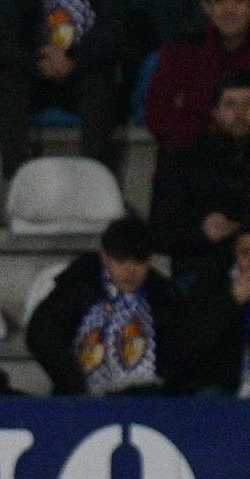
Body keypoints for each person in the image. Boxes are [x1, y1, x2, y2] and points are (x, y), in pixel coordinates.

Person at [26, 217, 184, 395]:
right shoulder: (76, 288)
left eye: (139, 261)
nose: (129, 271)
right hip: (81, 399)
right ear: (104, 256)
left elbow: (175, 353)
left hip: (147, 401)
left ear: (150, 260)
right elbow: (41, 336)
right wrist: (73, 383)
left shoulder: (162, 296)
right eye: (121, 260)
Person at [0, 0, 127, 179]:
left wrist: (74, 63)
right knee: (8, 81)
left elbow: (112, 29)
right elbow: (0, 36)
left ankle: (93, 178)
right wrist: (39, 62)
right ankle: (17, 177)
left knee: (100, 83)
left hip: (81, 71)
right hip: (34, 70)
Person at [150, 71, 250, 292]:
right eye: (231, 104)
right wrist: (202, 234)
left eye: (248, 104)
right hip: (200, 269)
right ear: (215, 112)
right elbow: (160, 234)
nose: (241, 113)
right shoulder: (183, 161)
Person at [145, 0, 250, 153]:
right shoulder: (180, 51)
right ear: (206, 7)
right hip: (190, 157)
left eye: (238, 2)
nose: (229, 10)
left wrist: (191, 106)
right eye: (220, 3)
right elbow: (157, 117)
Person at [178, 228, 250, 394]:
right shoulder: (214, 282)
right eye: (245, 253)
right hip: (224, 385)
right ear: (235, 256)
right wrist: (232, 301)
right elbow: (190, 343)